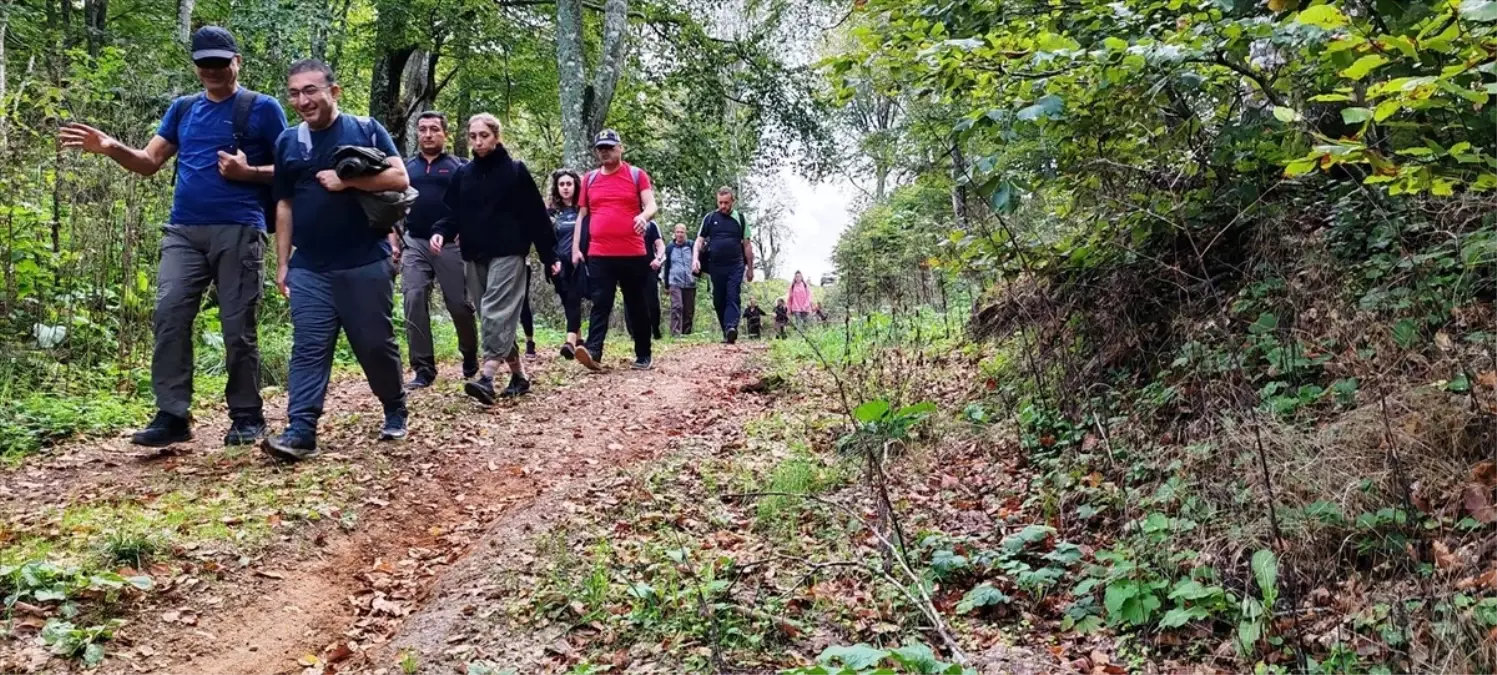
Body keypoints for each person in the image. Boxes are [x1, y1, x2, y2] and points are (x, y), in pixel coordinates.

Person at [59, 26, 285, 448]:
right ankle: (172, 414)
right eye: (204, 63)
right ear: (195, 66)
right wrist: (110, 146)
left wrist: (248, 173)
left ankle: (246, 415)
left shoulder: (263, 108)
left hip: (239, 228)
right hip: (183, 230)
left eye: (221, 61)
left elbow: (292, 168)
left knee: (238, 326)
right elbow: (148, 162)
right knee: (169, 315)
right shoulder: (182, 109)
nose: (213, 70)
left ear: (237, 61)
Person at [262, 59, 410, 461]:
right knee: (309, 347)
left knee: (374, 345)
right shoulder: (288, 142)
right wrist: (282, 263)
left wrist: (348, 181)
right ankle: (301, 429)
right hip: (309, 266)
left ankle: (394, 405)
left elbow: (400, 178)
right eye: (294, 93)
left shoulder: (365, 129)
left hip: (365, 260)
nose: (302, 100)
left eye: (310, 90)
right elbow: (284, 205)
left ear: (334, 91)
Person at [430, 114, 558, 403]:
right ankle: (519, 375)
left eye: (484, 135)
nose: (478, 141)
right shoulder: (463, 174)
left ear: (496, 136)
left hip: (509, 251)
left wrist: (551, 255)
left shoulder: (515, 171)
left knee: (495, 310)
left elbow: (537, 217)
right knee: (494, 315)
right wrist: (441, 232)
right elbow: (452, 213)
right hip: (474, 253)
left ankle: (487, 376)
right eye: (473, 136)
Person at [401, 111, 478, 389]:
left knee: (459, 305)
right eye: (423, 129)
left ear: (445, 133)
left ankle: (469, 353)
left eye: (434, 129)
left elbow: (473, 203)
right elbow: (392, 202)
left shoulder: (459, 166)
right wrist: (392, 236)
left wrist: (465, 229)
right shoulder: (407, 168)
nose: (428, 134)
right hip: (415, 242)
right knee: (413, 298)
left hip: (450, 245)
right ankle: (423, 368)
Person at [572, 129, 659, 371]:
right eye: (601, 148)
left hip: (632, 252)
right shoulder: (589, 179)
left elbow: (651, 204)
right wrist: (576, 248)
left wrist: (643, 216)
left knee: (637, 304)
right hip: (599, 253)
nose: (605, 151)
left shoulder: (635, 175)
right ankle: (593, 352)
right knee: (601, 302)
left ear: (620, 148)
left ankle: (643, 354)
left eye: (610, 147)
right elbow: (582, 216)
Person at [692, 187, 754, 344]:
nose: (723, 206)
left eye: (726, 203)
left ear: (732, 201)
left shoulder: (740, 219)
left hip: (736, 264)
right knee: (719, 299)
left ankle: (731, 327)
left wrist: (751, 269)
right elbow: (699, 241)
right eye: (720, 203)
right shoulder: (710, 218)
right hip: (716, 266)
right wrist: (695, 259)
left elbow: (747, 245)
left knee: (733, 295)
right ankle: (726, 330)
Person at [548, 169, 585, 358]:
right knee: (567, 301)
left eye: (569, 184)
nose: (565, 188)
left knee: (573, 299)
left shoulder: (583, 209)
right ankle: (579, 339)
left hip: (578, 262)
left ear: (575, 185)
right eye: (561, 184)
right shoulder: (552, 213)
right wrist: (550, 261)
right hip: (558, 263)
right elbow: (547, 239)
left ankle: (569, 342)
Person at [661, 224, 697, 336]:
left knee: (688, 310)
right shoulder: (670, 248)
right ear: (674, 233)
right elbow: (666, 267)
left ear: (685, 233)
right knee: (677, 306)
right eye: (678, 232)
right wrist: (666, 285)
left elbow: (698, 260)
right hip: (674, 282)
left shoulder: (691, 246)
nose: (680, 234)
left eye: (682, 232)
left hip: (690, 282)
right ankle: (675, 334)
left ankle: (686, 334)